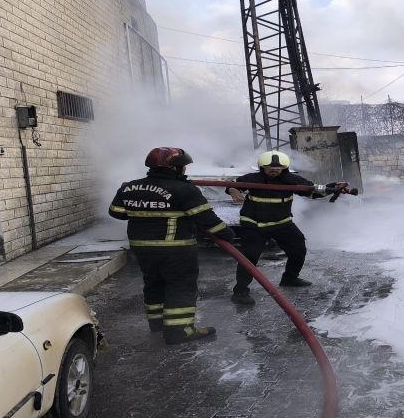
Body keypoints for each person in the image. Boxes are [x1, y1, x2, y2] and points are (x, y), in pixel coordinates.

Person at [108, 147, 237, 345]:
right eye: (183, 166)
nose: (185, 170)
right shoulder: (184, 189)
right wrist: (228, 235)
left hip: (142, 249)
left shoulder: (130, 187)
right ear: (175, 168)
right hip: (175, 250)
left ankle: (158, 324)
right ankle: (179, 331)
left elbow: (116, 212)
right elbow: (207, 220)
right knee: (180, 287)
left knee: (153, 283)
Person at [226, 150, 346, 305]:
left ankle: (290, 278)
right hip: (253, 225)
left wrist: (332, 188)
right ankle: (240, 291)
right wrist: (233, 189)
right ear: (262, 168)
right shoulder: (252, 179)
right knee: (249, 257)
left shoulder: (292, 180)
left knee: (298, 249)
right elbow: (231, 185)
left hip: (281, 224)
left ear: (285, 168)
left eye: (278, 168)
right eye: (270, 168)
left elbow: (312, 192)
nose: (274, 171)